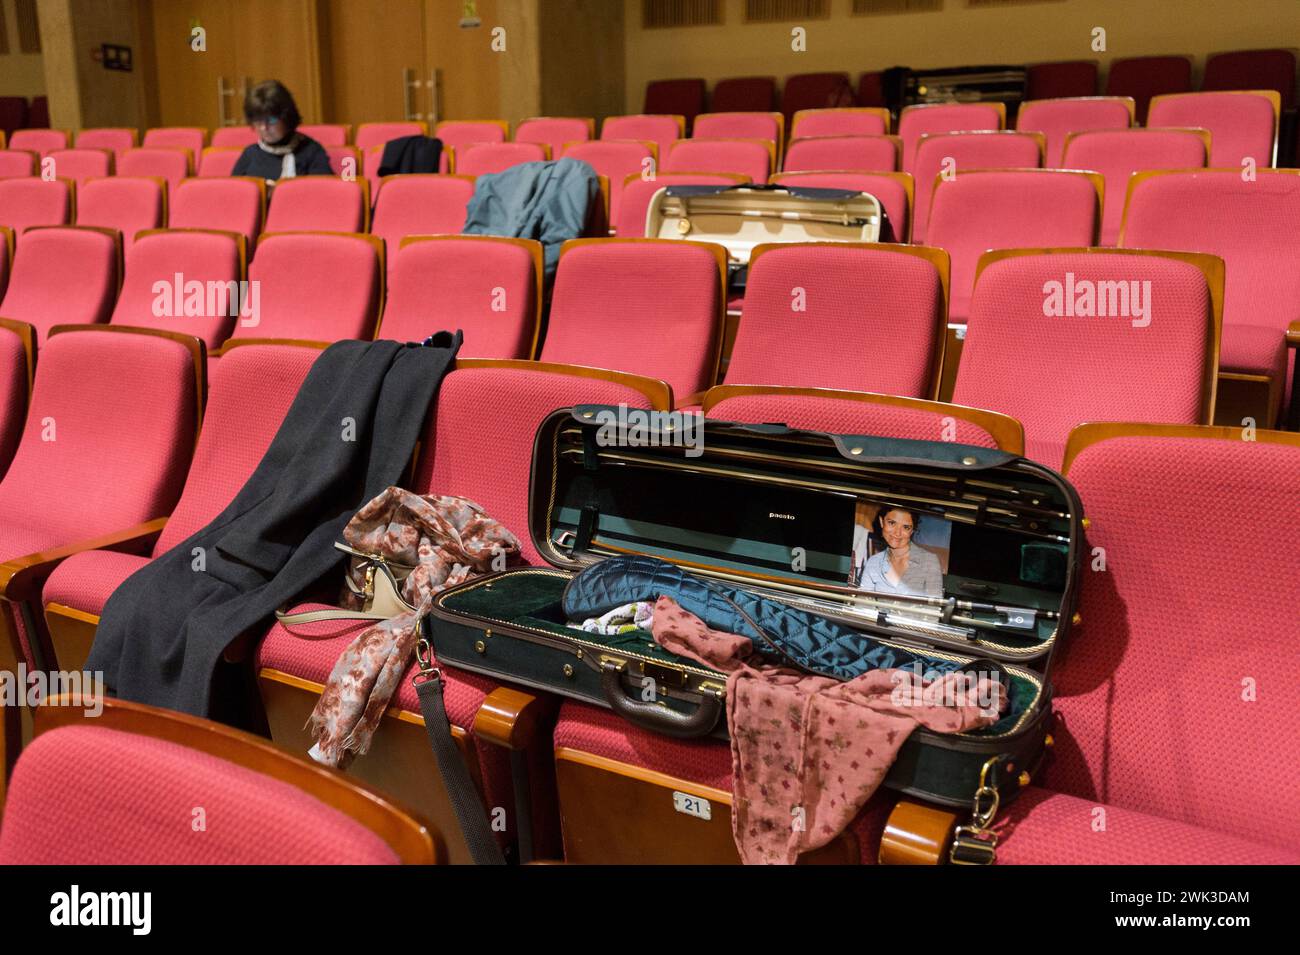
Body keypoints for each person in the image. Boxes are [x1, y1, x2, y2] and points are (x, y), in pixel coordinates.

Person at [230, 80, 331, 181]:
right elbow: (235, 192)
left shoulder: (312, 151)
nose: (264, 128)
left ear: (286, 117)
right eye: (258, 121)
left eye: (271, 120)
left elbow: (322, 192)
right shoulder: (250, 154)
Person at [854, 506, 943, 597]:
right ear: (881, 522)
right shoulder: (873, 562)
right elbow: (863, 604)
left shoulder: (929, 561)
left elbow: (934, 606)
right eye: (892, 523)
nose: (897, 533)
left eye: (906, 527)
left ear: (912, 531)